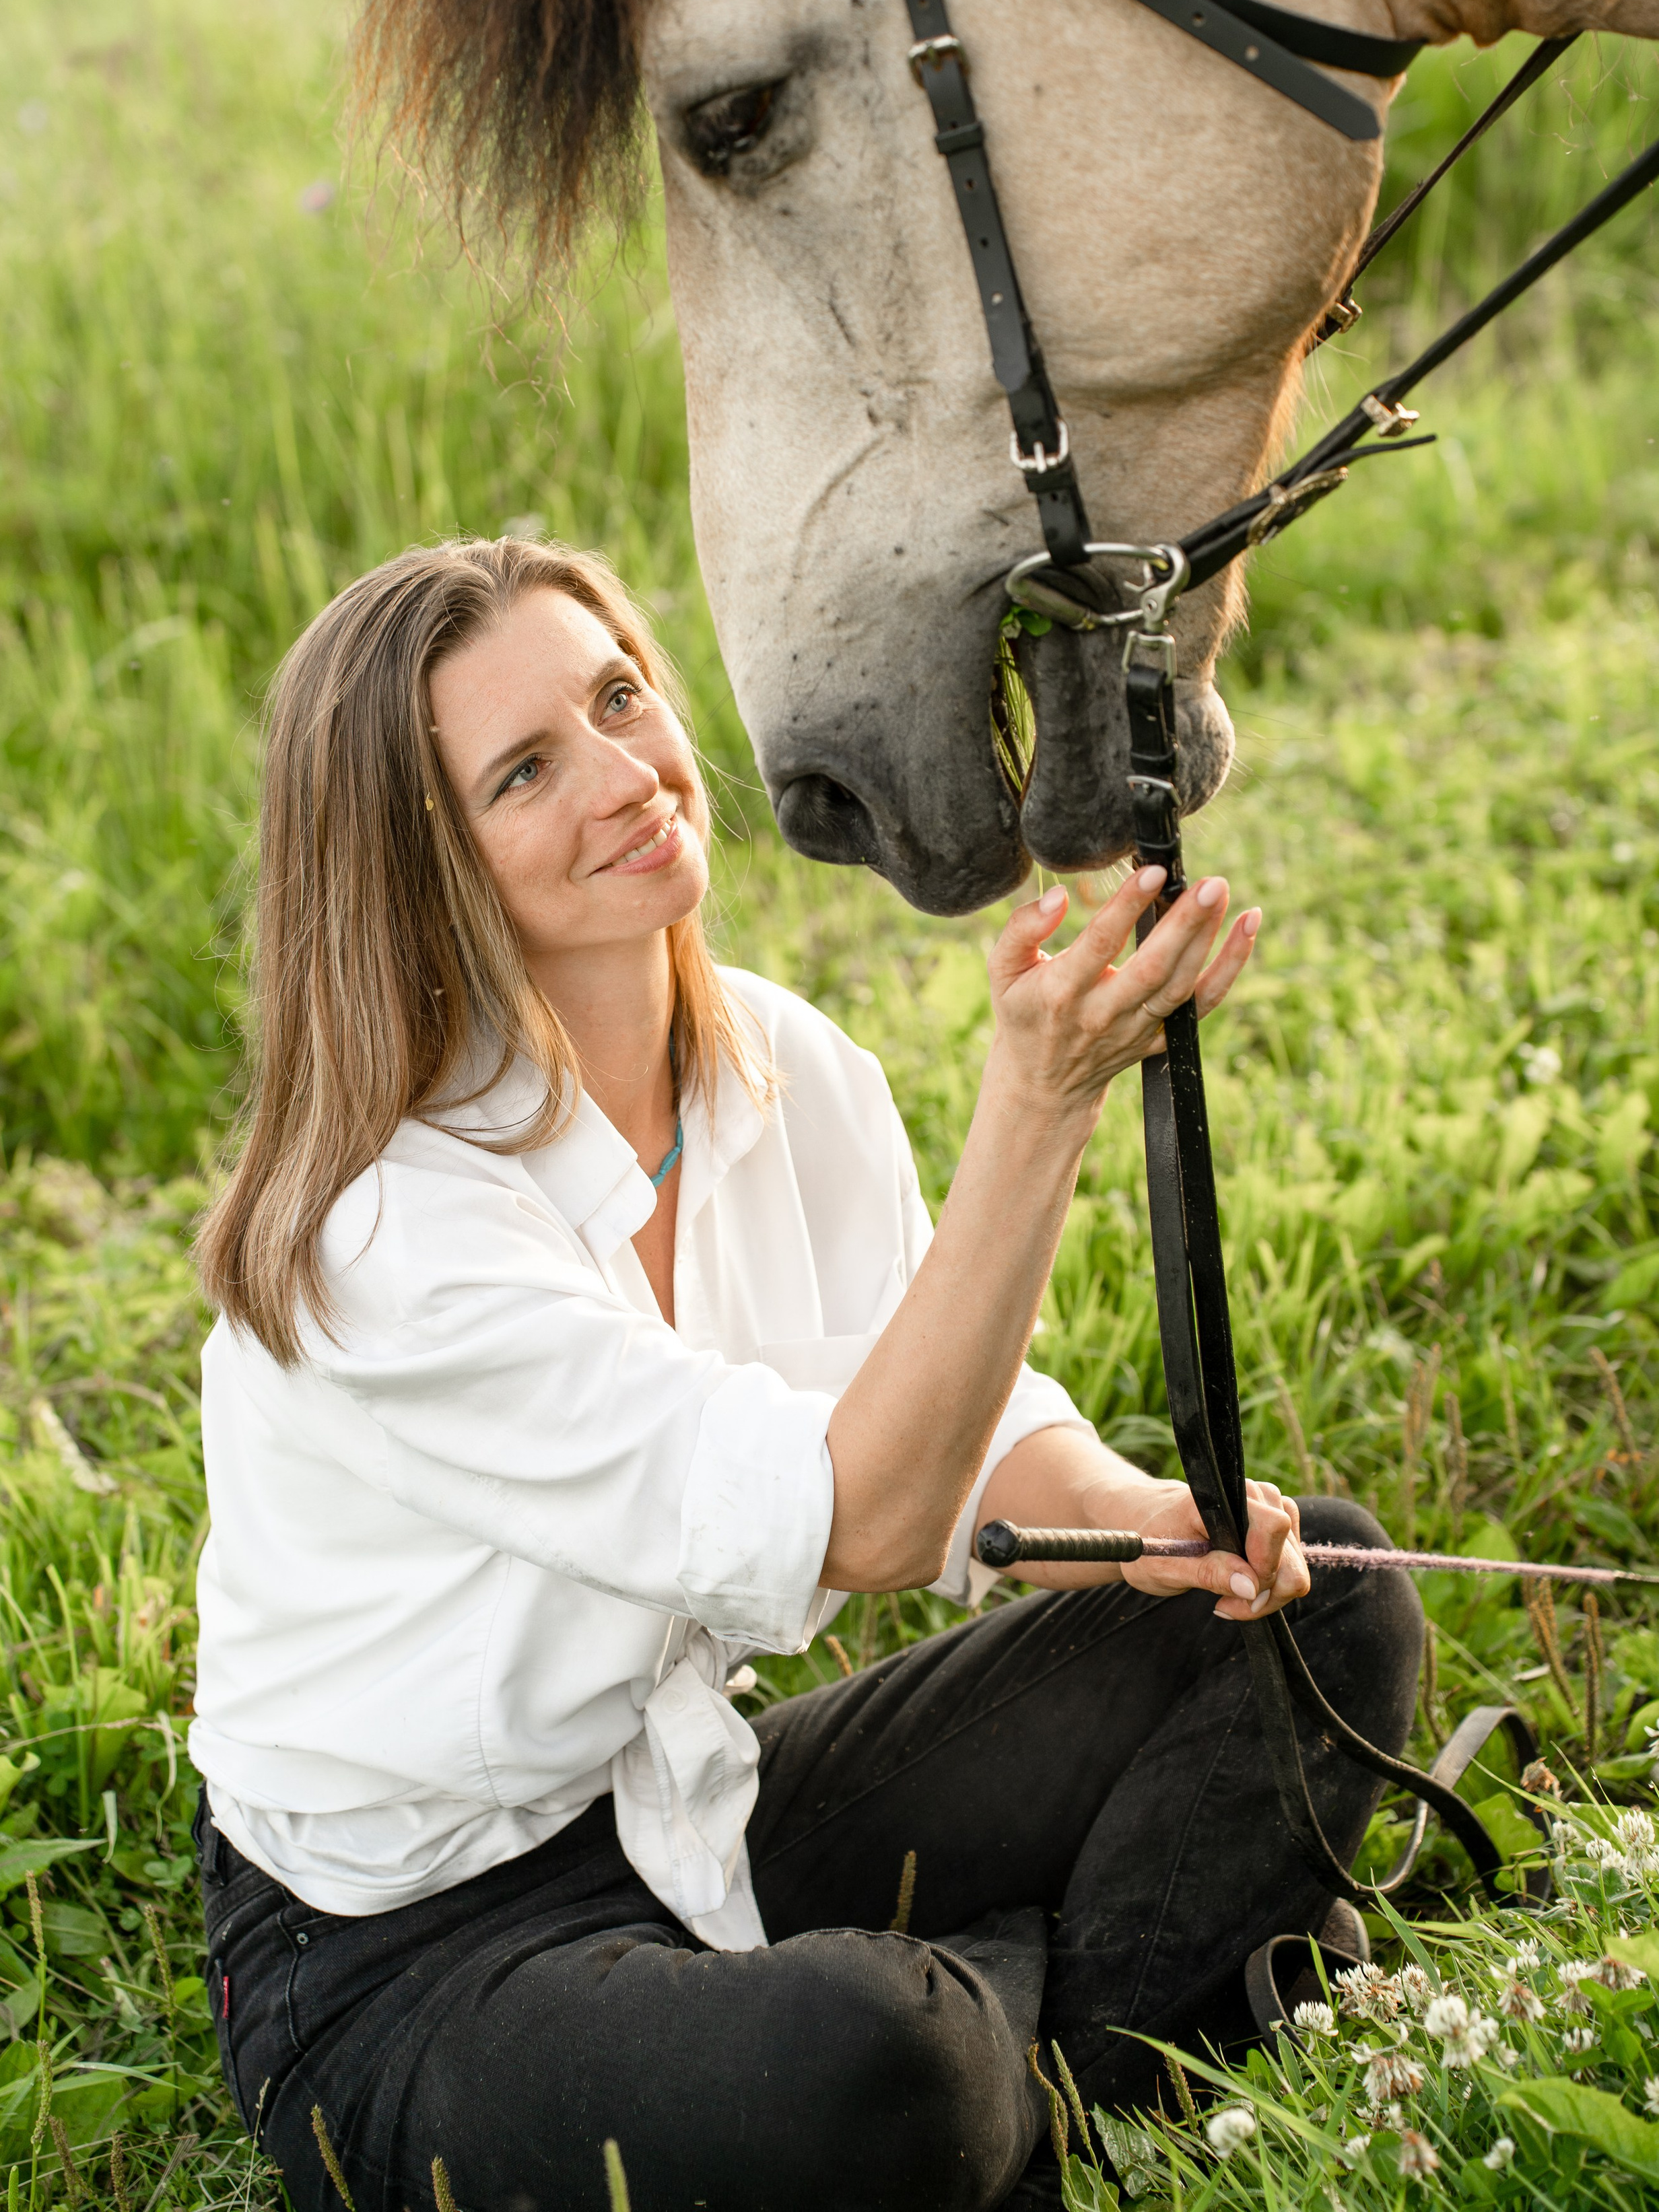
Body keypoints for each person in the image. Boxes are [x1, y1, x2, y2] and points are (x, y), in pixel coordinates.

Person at [191, 536, 1420, 2212]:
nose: (628, 777)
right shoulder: (383, 1235)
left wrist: (1133, 1514)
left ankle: (1007, 2065)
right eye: (526, 771)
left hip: (695, 1791)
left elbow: (958, 1409)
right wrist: (1039, 1104)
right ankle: (1031, 2037)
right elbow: (864, 1511)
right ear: (419, 868)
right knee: (878, 2065)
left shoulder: (782, 1061)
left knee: (1320, 1607)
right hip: (413, 1941)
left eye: (619, 696)